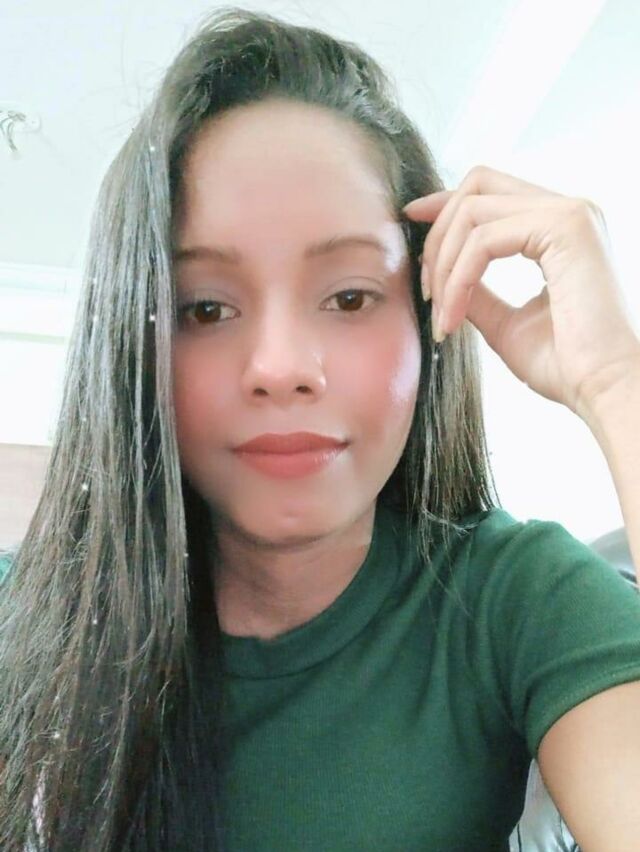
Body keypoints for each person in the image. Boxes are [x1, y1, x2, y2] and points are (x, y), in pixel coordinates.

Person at [1, 6, 640, 851]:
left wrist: (617, 382)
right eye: (205, 308)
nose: (280, 366)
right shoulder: (25, 615)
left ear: (426, 318)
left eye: (348, 297)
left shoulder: (518, 600)